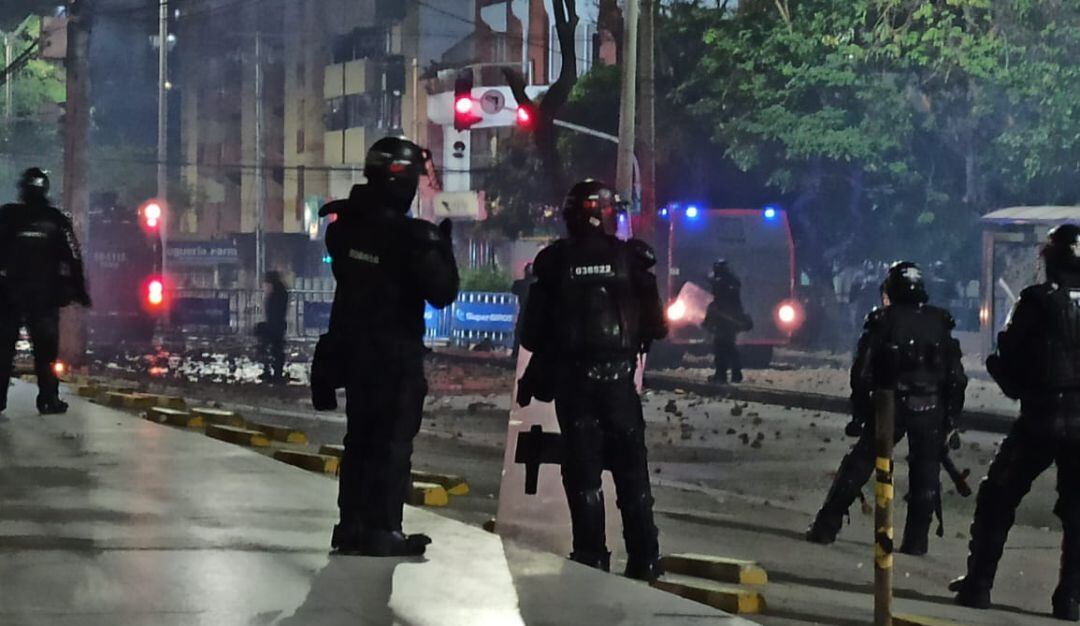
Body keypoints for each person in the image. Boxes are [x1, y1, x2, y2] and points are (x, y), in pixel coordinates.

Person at [310, 137, 458, 557]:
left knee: (359, 440)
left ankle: (351, 526)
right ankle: (383, 529)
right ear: (403, 181)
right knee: (391, 444)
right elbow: (443, 292)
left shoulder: (344, 229)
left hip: (354, 353)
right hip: (394, 357)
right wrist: (442, 248)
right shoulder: (412, 238)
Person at [517, 179, 668, 581]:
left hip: (574, 385)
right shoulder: (632, 259)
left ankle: (591, 554)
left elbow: (531, 334)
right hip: (619, 383)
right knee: (632, 471)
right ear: (608, 215)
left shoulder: (553, 263)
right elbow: (658, 325)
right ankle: (644, 557)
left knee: (583, 473)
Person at [951, 225, 1080, 620]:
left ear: (1051, 260)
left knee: (997, 497)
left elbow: (1009, 355)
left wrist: (1006, 373)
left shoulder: (1035, 301)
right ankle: (1070, 599)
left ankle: (978, 585)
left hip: (1042, 415)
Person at [806, 261, 966, 555]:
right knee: (926, 474)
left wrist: (861, 412)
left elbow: (861, 372)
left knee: (859, 465)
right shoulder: (939, 321)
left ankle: (826, 527)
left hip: (891, 405)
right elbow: (956, 377)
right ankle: (917, 541)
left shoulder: (883, 320)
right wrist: (951, 417)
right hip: (930, 407)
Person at [0, 168, 91, 415]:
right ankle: (48, 398)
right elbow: (74, 258)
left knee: (3, 348)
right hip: (44, 296)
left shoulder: (7, 215)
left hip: (9, 295)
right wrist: (80, 290)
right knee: (46, 351)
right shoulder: (56, 220)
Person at [703, 260, 751, 383]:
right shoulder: (732, 281)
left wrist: (709, 321)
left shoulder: (721, 283)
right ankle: (735, 374)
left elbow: (718, 300)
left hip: (723, 320)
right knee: (729, 347)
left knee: (721, 349)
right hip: (732, 319)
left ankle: (721, 375)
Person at [256, 271, 288, 382]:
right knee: (274, 349)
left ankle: (274, 372)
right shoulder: (279, 291)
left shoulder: (277, 293)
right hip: (276, 325)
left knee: (273, 349)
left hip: (275, 325)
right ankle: (274, 372)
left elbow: (275, 311)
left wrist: (270, 325)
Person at [510, 262, 536, 358]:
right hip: (533, 313)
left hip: (525, 312)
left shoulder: (519, 284)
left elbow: (513, 289)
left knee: (519, 333)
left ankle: (515, 353)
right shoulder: (538, 284)